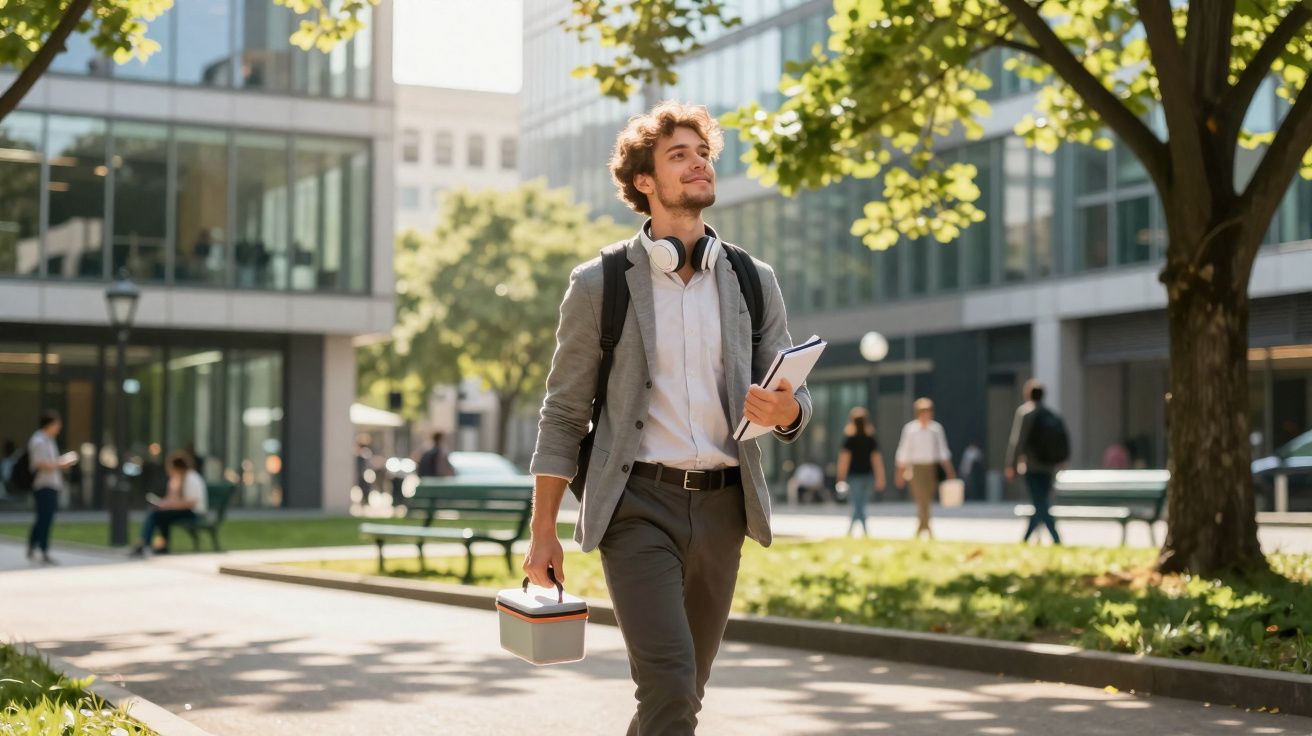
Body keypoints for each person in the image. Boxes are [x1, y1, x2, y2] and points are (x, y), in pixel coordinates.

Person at [523, 101, 812, 735]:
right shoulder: (600, 284)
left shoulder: (752, 278)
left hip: (724, 508)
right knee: (671, 684)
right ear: (644, 181)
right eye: (678, 156)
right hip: (637, 507)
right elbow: (564, 413)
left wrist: (787, 408)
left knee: (684, 695)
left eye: (703, 153)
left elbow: (791, 388)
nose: (698, 164)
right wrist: (543, 532)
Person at [1006, 380, 1065, 545]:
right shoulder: (1050, 414)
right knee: (1040, 502)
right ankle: (1025, 540)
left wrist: (1011, 464)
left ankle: (1056, 539)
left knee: (1040, 504)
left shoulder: (1025, 413)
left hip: (1032, 466)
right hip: (1049, 467)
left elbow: (1017, 441)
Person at [894, 398, 955, 540]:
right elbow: (904, 452)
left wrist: (949, 470)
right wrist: (900, 473)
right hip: (916, 468)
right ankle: (926, 529)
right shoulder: (910, 430)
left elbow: (943, 452)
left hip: (931, 468)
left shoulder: (936, 429)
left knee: (927, 499)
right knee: (920, 498)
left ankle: (922, 527)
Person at [130, 452, 208, 557]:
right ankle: (161, 545)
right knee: (159, 513)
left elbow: (191, 503)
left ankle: (144, 542)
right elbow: (172, 498)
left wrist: (169, 505)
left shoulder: (191, 478)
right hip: (183, 511)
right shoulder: (177, 479)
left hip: (194, 513)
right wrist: (163, 504)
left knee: (156, 515)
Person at [27, 410, 76, 564]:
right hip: (43, 485)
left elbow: (51, 462)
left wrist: (60, 463)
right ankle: (43, 550)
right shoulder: (39, 441)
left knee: (44, 518)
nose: (59, 428)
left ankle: (33, 546)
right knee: (45, 519)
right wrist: (61, 463)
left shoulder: (49, 440)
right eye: (57, 425)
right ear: (50, 424)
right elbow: (40, 464)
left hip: (52, 484)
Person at [835, 407, 885, 537]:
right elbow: (877, 460)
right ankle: (862, 532)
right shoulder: (871, 439)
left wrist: (841, 477)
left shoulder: (849, 439)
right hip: (868, 476)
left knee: (858, 504)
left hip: (854, 476)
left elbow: (844, 460)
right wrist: (880, 477)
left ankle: (853, 532)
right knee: (860, 504)